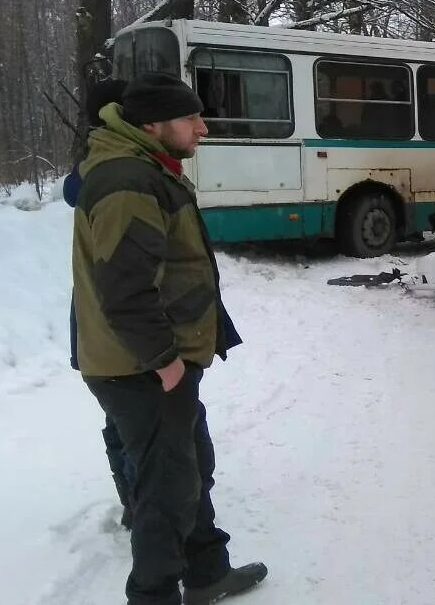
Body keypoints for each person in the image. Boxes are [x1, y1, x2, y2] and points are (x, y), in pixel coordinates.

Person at [72, 72, 266, 605]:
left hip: (154, 361)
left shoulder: (148, 168)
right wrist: (165, 362)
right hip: (139, 367)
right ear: (152, 124)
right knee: (165, 492)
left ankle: (206, 573)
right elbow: (126, 289)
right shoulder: (129, 180)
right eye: (191, 118)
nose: (204, 127)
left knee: (189, 468)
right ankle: (154, 595)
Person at [65, 78, 136, 531]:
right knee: (134, 423)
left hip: (89, 322)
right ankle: (141, 501)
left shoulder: (88, 169)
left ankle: (133, 498)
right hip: (113, 327)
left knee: (119, 420)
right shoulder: (112, 174)